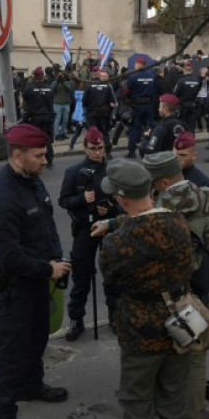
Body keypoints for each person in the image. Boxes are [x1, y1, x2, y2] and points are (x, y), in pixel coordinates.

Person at [95, 158, 194, 419]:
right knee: (175, 388)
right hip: (182, 320)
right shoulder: (178, 222)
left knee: (136, 397)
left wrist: (112, 225)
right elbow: (150, 219)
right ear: (150, 189)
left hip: (141, 329)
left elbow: (110, 279)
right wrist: (115, 222)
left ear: (121, 199)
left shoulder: (116, 244)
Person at [0, 124, 71, 419]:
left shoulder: (32, 181)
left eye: (45, 154)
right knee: (13, 351)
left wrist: (56, 262)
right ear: (17, 156)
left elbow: (47, 226)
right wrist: (48, 268)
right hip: (16, 287)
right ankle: (2, 415)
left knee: (37, 338)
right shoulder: (1, 195)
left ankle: (32, 385)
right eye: (39, 155)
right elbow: (8, 257)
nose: (45, 160)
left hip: (39, 281)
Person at [141, 151, 209, 419]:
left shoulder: (154, 209)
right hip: (197, 294)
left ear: (161, 182)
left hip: (164, 295)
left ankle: (168, 417)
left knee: (166, 358)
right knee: (195, 357)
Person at [58, 127, 120, 341]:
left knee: (112, 274)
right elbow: (64, 201)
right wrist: (82, 200)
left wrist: (110, 211)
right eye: (93, 148)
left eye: (100, 148)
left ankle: (114, 314)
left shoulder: (113, 170)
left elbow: (124, 203)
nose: (97, 152)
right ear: (85, 148)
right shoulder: (74, 172)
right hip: (84, 229)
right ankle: (76, 319)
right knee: (81, 276)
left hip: (109, 228)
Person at [22, 67, 56, 168]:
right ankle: (49, 161)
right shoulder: (49, 89)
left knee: (33, 139)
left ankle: (34, 160)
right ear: (43, 77)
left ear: (34, 76)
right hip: (47, 117)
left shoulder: (28, 89)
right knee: (47, 139)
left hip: (34, 118)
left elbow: (26, 100)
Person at [83, 66, 117, 160]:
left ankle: (91, 152)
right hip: (103, 114)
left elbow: (84, 101)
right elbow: (111, 100)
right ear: (99, 74)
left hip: (92, 114)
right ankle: (108, 152)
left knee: (92, 133)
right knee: (104, 133)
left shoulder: (89, 85)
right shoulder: (106, 86)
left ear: (92, 74)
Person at [124, 58, 156, 158]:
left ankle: (131, 151)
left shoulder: (133, 77)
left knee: (135, 127)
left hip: (137, 106)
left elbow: (127, 92)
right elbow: (154, 90)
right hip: (148, 105)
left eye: (135, 64)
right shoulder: (152, 76)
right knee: (151, 127)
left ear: (138, 64)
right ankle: (152, 147)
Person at [173, 61, 202, 132]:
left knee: (182, 125)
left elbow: (175, 93)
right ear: (191, 70)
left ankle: (184, 141)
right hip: (193, 105)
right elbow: (198, 91)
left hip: (183, 106)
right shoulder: (197, 80)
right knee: (192, 125)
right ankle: (191, 140)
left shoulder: (181, 81)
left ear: (184, 70)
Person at [51, 69, 75, 141]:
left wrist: (63, 82)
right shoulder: (54, 82)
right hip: (57, 103)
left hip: (66, 103)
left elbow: (69, 89)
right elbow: (52, 89)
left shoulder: (67, 82)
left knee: (65, 120)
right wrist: (57, 80)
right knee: (57, 120)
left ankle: (62, 133)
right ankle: (56, 134)